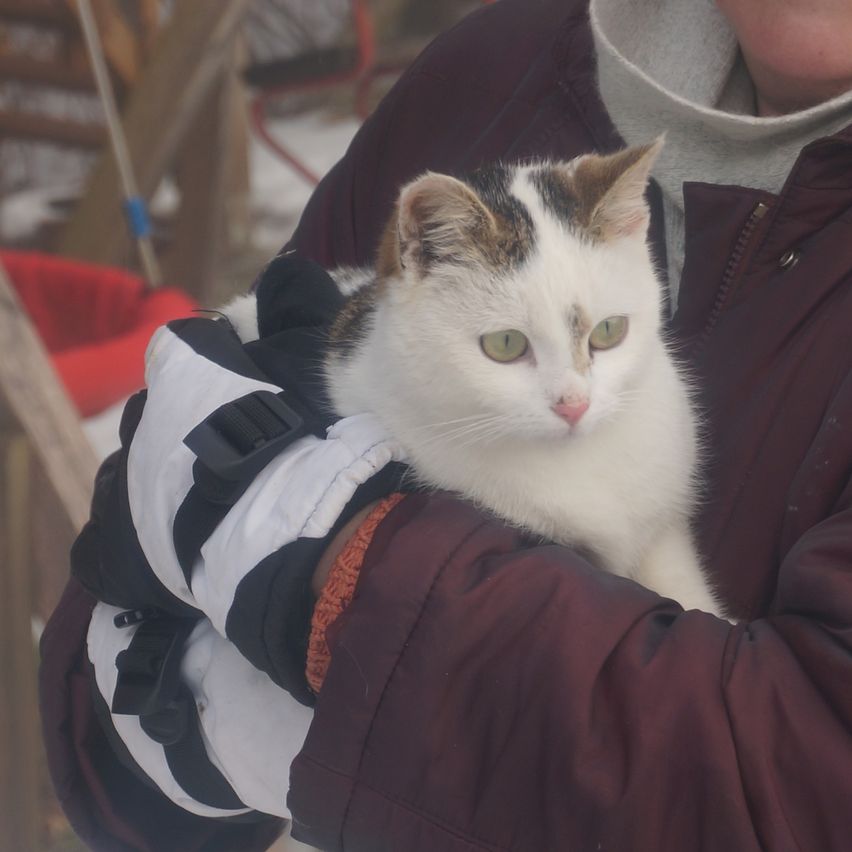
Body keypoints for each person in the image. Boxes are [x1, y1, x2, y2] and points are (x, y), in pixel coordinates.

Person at [40, 0, 852, 849]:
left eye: (606, 337)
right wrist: (161, 742)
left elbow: (801, 795)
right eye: (508, 346)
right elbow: (93, 712)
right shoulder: (490, 75)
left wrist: (347, 581)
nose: (575, 399)